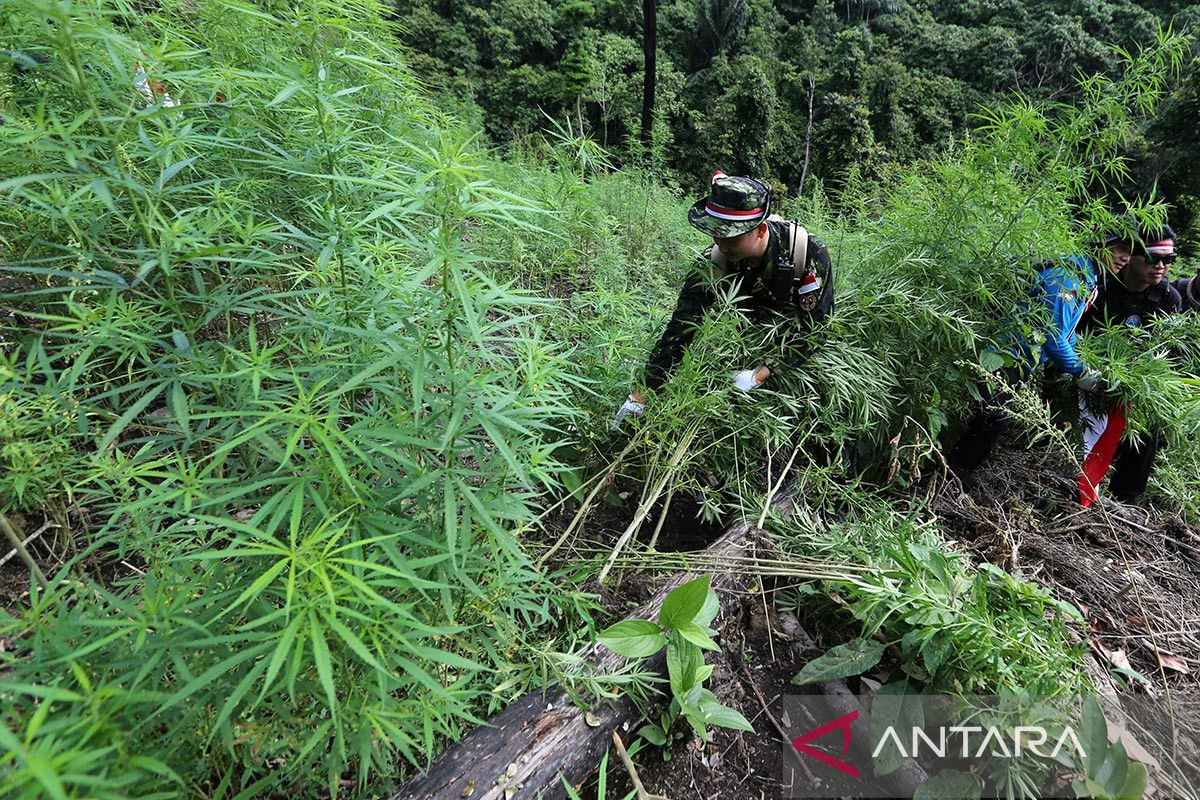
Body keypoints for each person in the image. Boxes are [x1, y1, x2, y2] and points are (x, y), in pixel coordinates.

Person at [612, 172, 834, 427]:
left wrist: (759, 375)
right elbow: (680, 331)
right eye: (716, 235)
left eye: (732, 237)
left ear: (760, 230)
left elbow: (816, 330)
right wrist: (642, 394)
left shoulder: (807, 254)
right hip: (741, 336)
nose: (722, 244)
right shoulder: (712, 264)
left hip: (789, 345)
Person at [946, 234, 1130, 477]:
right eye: (1120, 249)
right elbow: (1053, 337)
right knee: (993, 421)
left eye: (1130, 252)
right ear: (1099, 246)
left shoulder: (1087, 277)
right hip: (1003, 356)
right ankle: (947, 477)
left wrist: (1085, 363)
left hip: (1017, 361)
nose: (1125, 258)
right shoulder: (1067, 276)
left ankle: (949, 476)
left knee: (988, 423)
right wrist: (1081, 371)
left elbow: (1066, 332)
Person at [1077, 225, 1181, 505]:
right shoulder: (1101, 284)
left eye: (1168, 260)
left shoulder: (1169, 299)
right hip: (1084, 375)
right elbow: (1076, 334)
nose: (1161, 266)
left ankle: (1126, 500)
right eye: (1152, 258)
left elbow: (1163, 358)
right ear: (1131, 255)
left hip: (1131, 384)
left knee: (1149, 427)